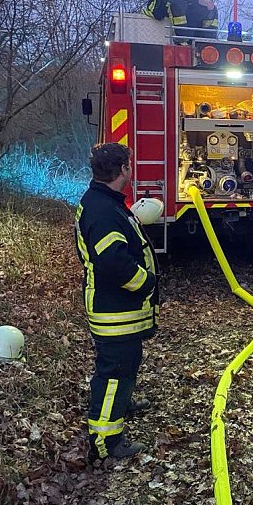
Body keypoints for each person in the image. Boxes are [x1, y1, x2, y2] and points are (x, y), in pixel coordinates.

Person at [74, 143, 159, 461]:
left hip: (117, 308)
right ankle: (105, 441)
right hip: (115, 310)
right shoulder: (104, 211)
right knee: (114, 371)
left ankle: (121, 405)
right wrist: (146, 283)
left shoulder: (102, 201)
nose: (131, 169)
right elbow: (113, 262)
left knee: (124, 364)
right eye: (130, 165)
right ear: (123, 169)